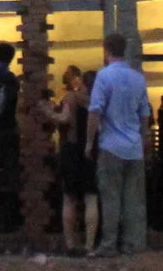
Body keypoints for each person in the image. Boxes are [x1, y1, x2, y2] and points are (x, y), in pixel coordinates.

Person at [88, 33, 153, 256]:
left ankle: (109, 245)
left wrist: (89, 142)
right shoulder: (138, 78)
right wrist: (143, 138)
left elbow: (95, 111)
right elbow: (145, 113)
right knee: (132, 199)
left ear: (107, 49)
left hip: (110, 146)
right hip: (134, 148)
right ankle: (131, 244)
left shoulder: (103, 77)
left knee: (111, 198)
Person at [53, 65, 98, 254]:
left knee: (69, 198)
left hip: (71, 150)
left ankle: (71, 244)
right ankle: (89, 245)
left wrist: (48, 112)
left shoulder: (71, 98)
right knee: (91, 198)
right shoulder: (96, 102)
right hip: (92, 151)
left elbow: (64, 119)